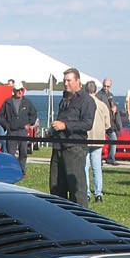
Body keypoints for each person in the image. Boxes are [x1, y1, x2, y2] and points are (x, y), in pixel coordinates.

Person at [49, 67, 96, 208]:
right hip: (58, 147)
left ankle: (82, 220)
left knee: (77, 189)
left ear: (77, 81)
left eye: (69, 80)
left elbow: (87, 124)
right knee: (56, 186)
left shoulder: (86, 101)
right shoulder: (64, 99)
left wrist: (65, 125)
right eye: (64, 81)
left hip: (75, 148)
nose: (66, 83)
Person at [0, 81, 37, 173]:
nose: (20, 92)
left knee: (23, 153)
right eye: (18, 90)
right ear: (14, 91)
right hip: (12, 131)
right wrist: (6, 125)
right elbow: (1, 115)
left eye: (21, 90)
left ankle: (22, 171)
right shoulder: (8, 102)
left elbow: (34, 114)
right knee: (10, 153)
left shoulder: (27, 102)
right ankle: (11, 170)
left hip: (23, 131)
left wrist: (30, 124)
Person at [83, 80, 110, 203]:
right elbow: (107, 124)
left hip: (86, 138)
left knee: (85, 167)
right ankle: (98, 193)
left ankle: (87, 192)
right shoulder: (103, 105)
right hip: (98, 138)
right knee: (97, 167)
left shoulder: (83, 104)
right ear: (95, 90)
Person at [97, 78, 121, 165]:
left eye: (108, 86)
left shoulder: (111, 95)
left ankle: (111, 158)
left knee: (113, 139)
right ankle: (99, 159)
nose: (106, 88)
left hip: (110, 122)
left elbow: (113, 107)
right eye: (104, 86)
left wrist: (115, 109)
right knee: (100, 141)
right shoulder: (99, 95)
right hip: (102, 121)